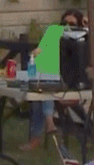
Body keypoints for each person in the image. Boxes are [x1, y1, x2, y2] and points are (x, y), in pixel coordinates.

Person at [23, 9, 86, 150]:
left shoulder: (82, 38)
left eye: (72, 23)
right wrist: (35, 53)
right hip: (48, 76)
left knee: (43, 91)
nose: (67, 26)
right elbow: (41, 48)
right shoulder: (53, 31)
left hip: (68, 83)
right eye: (64, 23)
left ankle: (37, 136)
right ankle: (49, 121)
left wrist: (89, 23)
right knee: (42, 90)